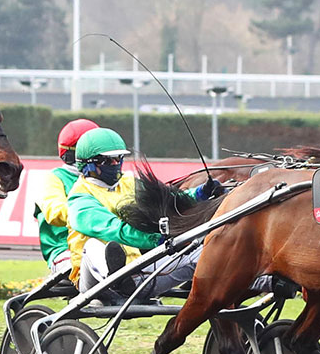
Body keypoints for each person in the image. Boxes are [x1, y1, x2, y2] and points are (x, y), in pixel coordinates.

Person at [66, 128, 219, 303]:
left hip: (135, 274)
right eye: (108, 160)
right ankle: (116, 281)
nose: (116, 163)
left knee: (201, 251)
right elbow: (116, 230)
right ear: (89, 165)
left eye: (119, 158)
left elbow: (167, 199)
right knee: (94, 246)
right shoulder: (80, 199)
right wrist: (156, 240)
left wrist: (200, 194)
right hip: (94, 284)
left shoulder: (129, 183)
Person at [33, 118, 99, 278]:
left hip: (102, 245)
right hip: (64, 250)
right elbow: (55, 212)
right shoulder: (55, 178)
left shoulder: (107, 177)